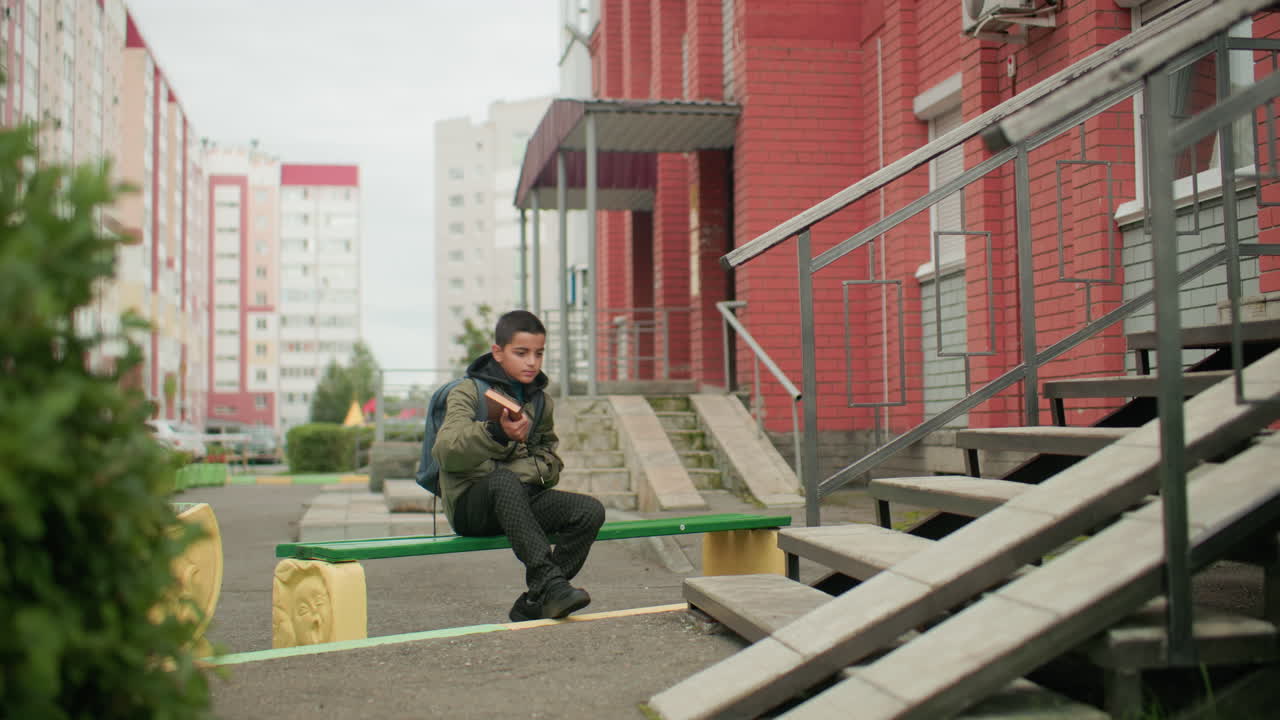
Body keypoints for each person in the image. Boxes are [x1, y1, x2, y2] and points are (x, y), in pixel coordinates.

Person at [433, 309, 605, 622]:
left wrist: (523, 470)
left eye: (539, 354)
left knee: (588, 511)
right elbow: (446, 452)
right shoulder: (468, 392)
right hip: (471, 506)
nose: (531, 362)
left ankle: (536, 600)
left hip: (520, 501)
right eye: (521, 353)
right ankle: (552, 585)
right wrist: (496, 432)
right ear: (497, 352)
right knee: (502, 482)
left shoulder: (540, 402)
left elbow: (549, 458)